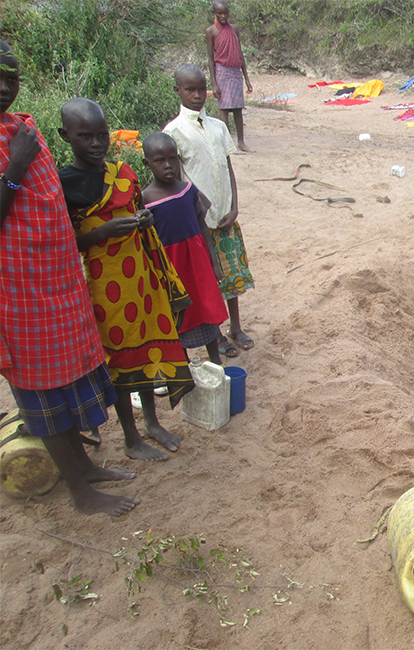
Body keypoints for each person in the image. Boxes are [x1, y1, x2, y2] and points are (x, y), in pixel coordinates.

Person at [0, 41, 138, 516]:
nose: (4, 87)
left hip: (55, 283)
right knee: (42, 393)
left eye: (11, 78)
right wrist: (16, 165)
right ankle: (82, 494)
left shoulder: (20, 129)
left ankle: (86, 470)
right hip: (18, 294)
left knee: (67, 382)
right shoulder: (17, 146)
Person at [58, 98, 194, 462]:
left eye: (101, 135)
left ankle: (151, 421)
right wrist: (101, 232)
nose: (96, 143)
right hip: (103, 286)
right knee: (119, 360)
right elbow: (65, 243)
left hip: (141, 278)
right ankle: (131, 438)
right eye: (85, 136)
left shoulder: (123, 172)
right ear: (65, 136)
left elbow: (136, 211)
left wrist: (143, 220)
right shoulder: (63, 184)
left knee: (148, 347)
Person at [164, 64, 255, 359]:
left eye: (202, 89)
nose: (198, 95)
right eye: (190, 89)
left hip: (226, 216)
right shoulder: (174, 132)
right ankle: (215, 334)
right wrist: (200, 210)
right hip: (199, 222)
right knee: (209, 280)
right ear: (178, 91)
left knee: (231, 275)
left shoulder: (217, 126)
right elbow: (178, 181)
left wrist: (235, 205)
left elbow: (228, 168)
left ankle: (236, 326)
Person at [141, 132, 228, 363]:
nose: (168, 165)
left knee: (205, 311)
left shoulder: (188, 190)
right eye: (160, 161)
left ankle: (216, 365)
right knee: (177, 318)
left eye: (173, 159)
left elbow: (202, 226)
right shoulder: (144, 200)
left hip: (197, 265)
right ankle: (185, 370)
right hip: (170, 268)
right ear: (147, 164)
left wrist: (214, 263)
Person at [206, 0, 254, 152]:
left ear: (229, 13)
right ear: (214, 13)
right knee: (224, 110)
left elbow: (240, 54)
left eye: (225, 12)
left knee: (238, 108)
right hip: (221, 71)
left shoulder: (234, 29)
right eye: (219, 13)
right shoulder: (211, 31)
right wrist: (214, 84)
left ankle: (241, 142)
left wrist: (246, 78)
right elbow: (210, 59)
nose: (223, 16)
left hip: (235, 72)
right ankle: (226, 143)